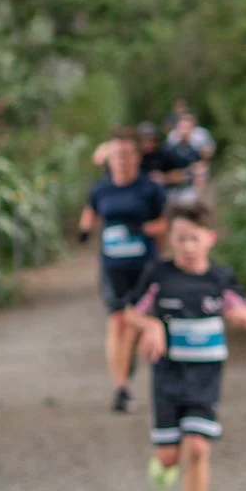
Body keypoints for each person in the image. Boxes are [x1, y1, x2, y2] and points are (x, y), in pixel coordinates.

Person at [123, 196, 246, 491]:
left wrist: (243, 316)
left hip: (205, 378)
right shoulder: (158, 275)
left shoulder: (220, 278)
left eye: (194, 238)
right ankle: (163, 463)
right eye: (180, 238)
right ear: (170, 239)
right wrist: (150, 325)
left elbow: (242, 308)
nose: (187, 246)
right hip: (168, 376)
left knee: (198, 447)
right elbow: (130, 314)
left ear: (210, 238)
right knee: (170, 456)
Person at [76, 128, 171, 412]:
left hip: (144, 265)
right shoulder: (101, 188)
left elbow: (165, 224)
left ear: (137, 158)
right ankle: (120, 387)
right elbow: (91, 210)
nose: (122, 160)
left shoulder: (150, 189)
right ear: (110, 158)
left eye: (128, 155)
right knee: (117, 321)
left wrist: (141, 229)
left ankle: (130, 369)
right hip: (112, 266)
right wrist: (84, 229)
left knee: (137, 322)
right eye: (117, 155)